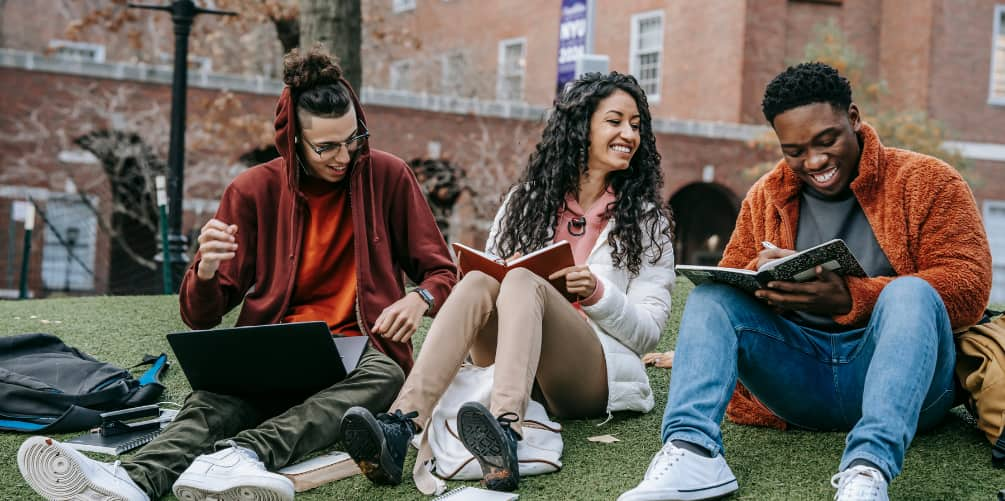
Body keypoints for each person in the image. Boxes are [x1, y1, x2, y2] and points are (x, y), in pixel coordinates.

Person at [16, 46, 456, 501]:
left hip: (360, 351)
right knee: (212, 402)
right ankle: (132, 480)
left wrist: (418, 298)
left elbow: (443, 272)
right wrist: (205, 271)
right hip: (275, 346)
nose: (344, 156)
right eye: (326, 146)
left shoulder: (389, 176)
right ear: (293, 141)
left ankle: (242, 456)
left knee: (385, 377)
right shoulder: (252, 190)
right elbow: (200, 317)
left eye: (353, 139)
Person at [619, 61, 992, 501]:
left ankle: (867, 471)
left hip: (905, 383)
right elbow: (736, 276)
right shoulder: (766, 194)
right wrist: (770, 289)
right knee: (712, 297)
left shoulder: (928, 181)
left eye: (826, 140)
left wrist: (852, 297)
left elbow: (968, 286)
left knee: (911, 292)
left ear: (853, 119)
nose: (813, 162)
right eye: (794, 150)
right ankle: (692, 450)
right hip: (799, 381)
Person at [339, 71, 676, 492]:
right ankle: (400, 426)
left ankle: (505, 432)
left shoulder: (646, 221)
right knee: (482, 280)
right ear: (581, 127)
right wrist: (504, 269)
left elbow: (647, 333)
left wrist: (596, 293)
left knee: (521, 282)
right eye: (615, 121)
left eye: (636, 125)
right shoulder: (526, 201)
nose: (628, 133)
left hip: (589, 375)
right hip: (511, 360)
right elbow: (492, 284)